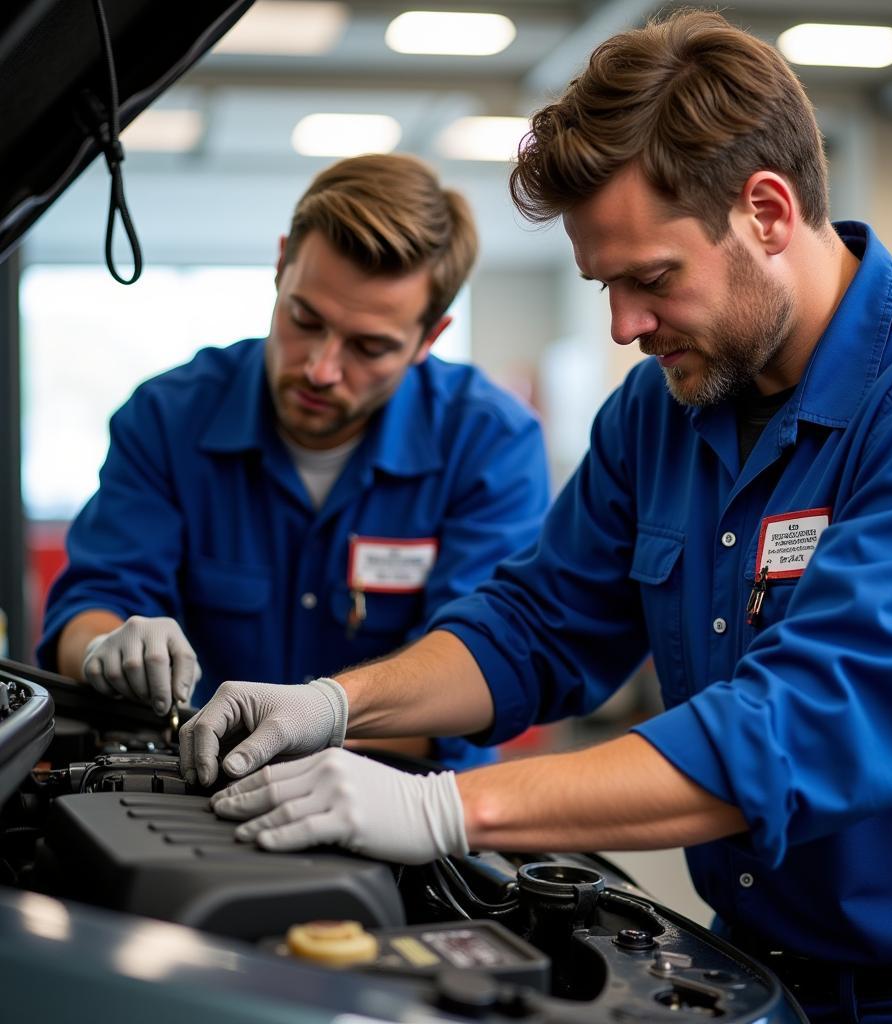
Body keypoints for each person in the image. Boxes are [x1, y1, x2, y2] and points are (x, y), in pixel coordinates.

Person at [182, 10, 892, 1021]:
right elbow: (535, 626)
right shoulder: (664, 408)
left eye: (650, 279)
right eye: (605, 285)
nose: (623, 325)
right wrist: (330, 702)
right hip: (752, 971)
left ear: (765, 210)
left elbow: (815, 721)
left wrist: (443, 805)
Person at [38, 153, 550, 770]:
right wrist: (106, 645)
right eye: (305, 319)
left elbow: (476, 669)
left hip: (403, 802)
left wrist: (313, 722)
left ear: (429, 338)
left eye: (370, 347)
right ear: (282, 265)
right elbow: (90, 604)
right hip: (195, 785)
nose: (320, 368)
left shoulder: (489, 443)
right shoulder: (168, 419)